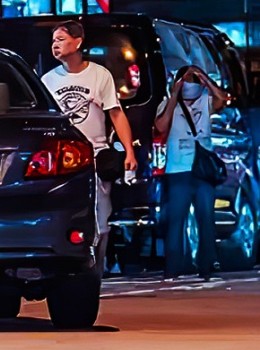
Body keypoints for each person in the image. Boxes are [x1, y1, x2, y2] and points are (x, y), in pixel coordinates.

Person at [41, 18, 137, 268]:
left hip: (96, 156)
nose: (55, 45)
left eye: (61, 40)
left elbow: (116, 113)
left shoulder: (99, 75)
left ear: (78, 42)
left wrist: (129, 152)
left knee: (101, 219)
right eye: (53, 41)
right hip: (64, 161)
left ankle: (97, 268)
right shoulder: (48, 80)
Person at [153, 57, 227, 279]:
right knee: (176, 219)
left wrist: (204, 78)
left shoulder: (206, 99)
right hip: (178, 170)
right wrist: (174, 96)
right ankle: (173, 267)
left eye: (192, 79)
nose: (190, 83)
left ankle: (206, 265)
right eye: (186, 80)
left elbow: (223, 99)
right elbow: (160, 127)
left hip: (202, 170)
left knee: (206, 218)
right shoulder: (167, 103)